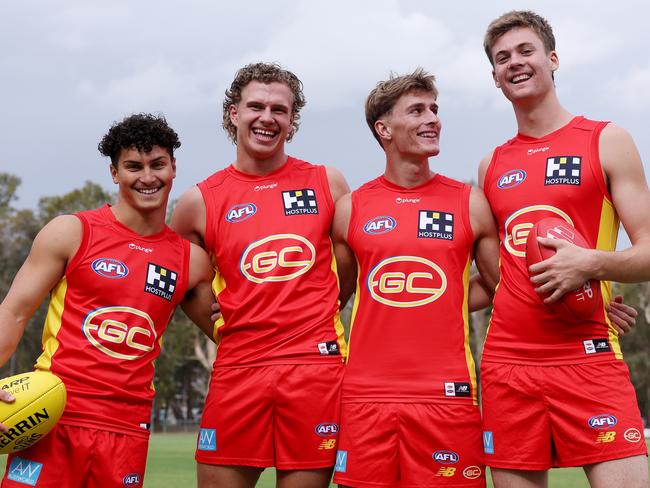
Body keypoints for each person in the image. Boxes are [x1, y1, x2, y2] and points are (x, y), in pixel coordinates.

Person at [479, 10, 650, 488]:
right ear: (494, 77)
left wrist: (594, 267)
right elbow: (497, 275)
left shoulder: (606, 140)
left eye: (525, 51)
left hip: (589, 356)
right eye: (502, 58)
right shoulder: (490, 164)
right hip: (508, 365)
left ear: (552, 59)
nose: (514, 63)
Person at [0, 113, 215, 487]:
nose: (147, 177)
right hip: (53, 418)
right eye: (134, 166)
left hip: (127, 427)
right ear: (115, 172)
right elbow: (14, 313)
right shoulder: (70, 232)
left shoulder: (190, 261)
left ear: (173, 167)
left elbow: (231, 330)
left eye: (157, 164)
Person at [170, 62, 352, 488]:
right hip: (239, 369)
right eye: (256, 106)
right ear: (234, 113)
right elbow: (181, 282)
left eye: (280, 110)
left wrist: (316, 312)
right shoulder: (199, 200)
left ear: (292, 120)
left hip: (315, 369)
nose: (267, 118)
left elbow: (350, 269)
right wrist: (219, 326)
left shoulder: (328, 182)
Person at [331, 69, 500, 488]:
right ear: (383, 128)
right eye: (418, 110)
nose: (433, 119)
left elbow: (503, 285)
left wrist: (585, 301)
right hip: (365, 397)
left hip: (448, 395)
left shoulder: (470, 203)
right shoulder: (351, 208)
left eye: (435, 109)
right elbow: (332, 296)